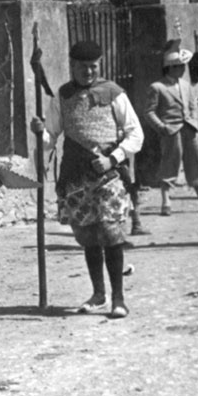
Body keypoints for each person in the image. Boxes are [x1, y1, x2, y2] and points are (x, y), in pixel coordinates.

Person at [31, 40, 144, 319]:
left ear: (100, 64)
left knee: (110, 231)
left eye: (93, 66)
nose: (88, 72)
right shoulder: (62, 96)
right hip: (75, 177)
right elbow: (51, 138)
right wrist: (40, 132)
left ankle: (119, 299)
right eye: (83, 67)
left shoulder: (114, 93)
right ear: (73, 66)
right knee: (87, 234)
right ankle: (98, 294)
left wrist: (113, 158)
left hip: (109, 174)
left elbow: (136, 135)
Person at [145, 41, 198, 215]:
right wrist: (161, 127)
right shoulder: (158, 87)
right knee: (170, 163)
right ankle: (166, 201)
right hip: (171, 131)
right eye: (178, 66)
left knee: (195, 163)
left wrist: (195, 124)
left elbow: (192, 106)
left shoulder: (187, 85)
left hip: (189, 129)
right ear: (169, 68)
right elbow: (149, 112)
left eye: (183, 66)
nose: (182, 69)